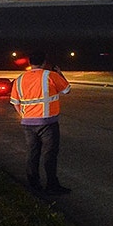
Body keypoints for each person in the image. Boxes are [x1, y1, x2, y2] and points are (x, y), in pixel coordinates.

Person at [9, 51, 72, 194]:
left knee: (32, 153)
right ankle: (52, 185)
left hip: (28, 123)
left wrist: (24, 115)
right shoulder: (50, 76)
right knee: (49, 154)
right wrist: (59, 73)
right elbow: (67, 90)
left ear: (30, 63)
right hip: (48, 122)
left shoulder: (19, 79)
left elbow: (15, 102)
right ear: (44, 62)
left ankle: (33, 184)